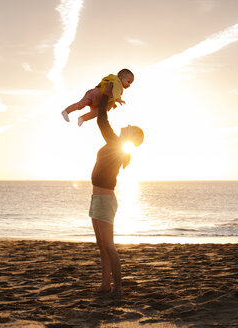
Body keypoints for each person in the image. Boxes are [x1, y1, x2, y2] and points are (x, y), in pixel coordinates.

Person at [89, 82, 144, 298]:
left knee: (109, 246)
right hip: (97, 198)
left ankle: (118, 287)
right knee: (101, 245)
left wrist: (105, 96)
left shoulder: (116, 144)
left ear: (130, 137)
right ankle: (105, 285)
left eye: (130, 127)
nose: (127, 125)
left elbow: (102, 121)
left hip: (104, 200)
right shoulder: (117, 146)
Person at [61, 69, 134, 126]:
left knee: (95, 112)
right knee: (81, 105)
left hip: (98, 100)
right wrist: (117, 98)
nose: (129, 85)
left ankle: (82, 118)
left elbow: (112, 94)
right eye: (128, 81)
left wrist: (113, 103)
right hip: (95, 94)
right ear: (121, 78)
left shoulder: (117, 84)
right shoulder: (117, 81)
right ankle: (66, 111)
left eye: (130, 83)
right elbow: (115, 91)